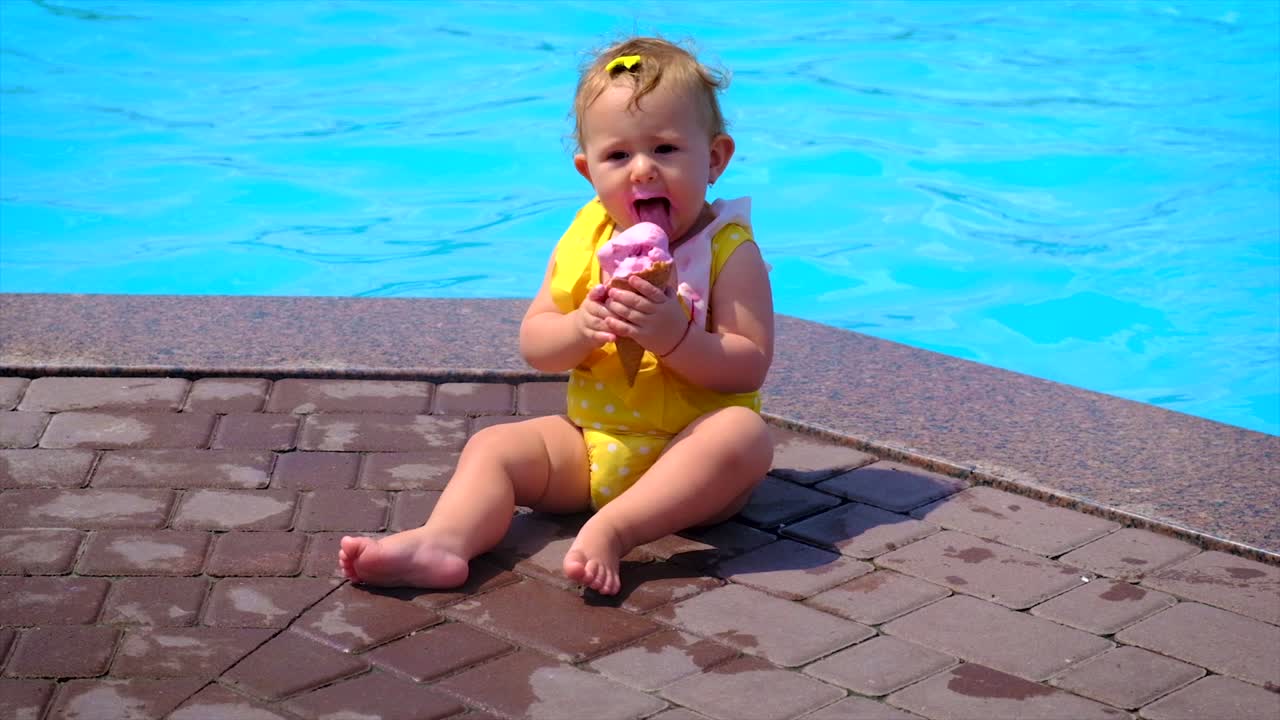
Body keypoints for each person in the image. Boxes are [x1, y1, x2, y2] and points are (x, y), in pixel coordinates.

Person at [338, 36, 774, 596]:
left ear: (714, 158)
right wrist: (579, 329)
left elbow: (748, 366)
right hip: (592, 448)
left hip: (689, 460)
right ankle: (443, 541)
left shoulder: (728, 252)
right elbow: (536, 343)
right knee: (494, 446)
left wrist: (675, 337)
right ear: (587, 171)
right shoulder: (583, 238)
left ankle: (615, 529)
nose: (641, 170)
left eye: (666, 149)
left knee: (744, 435)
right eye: (618, 156)